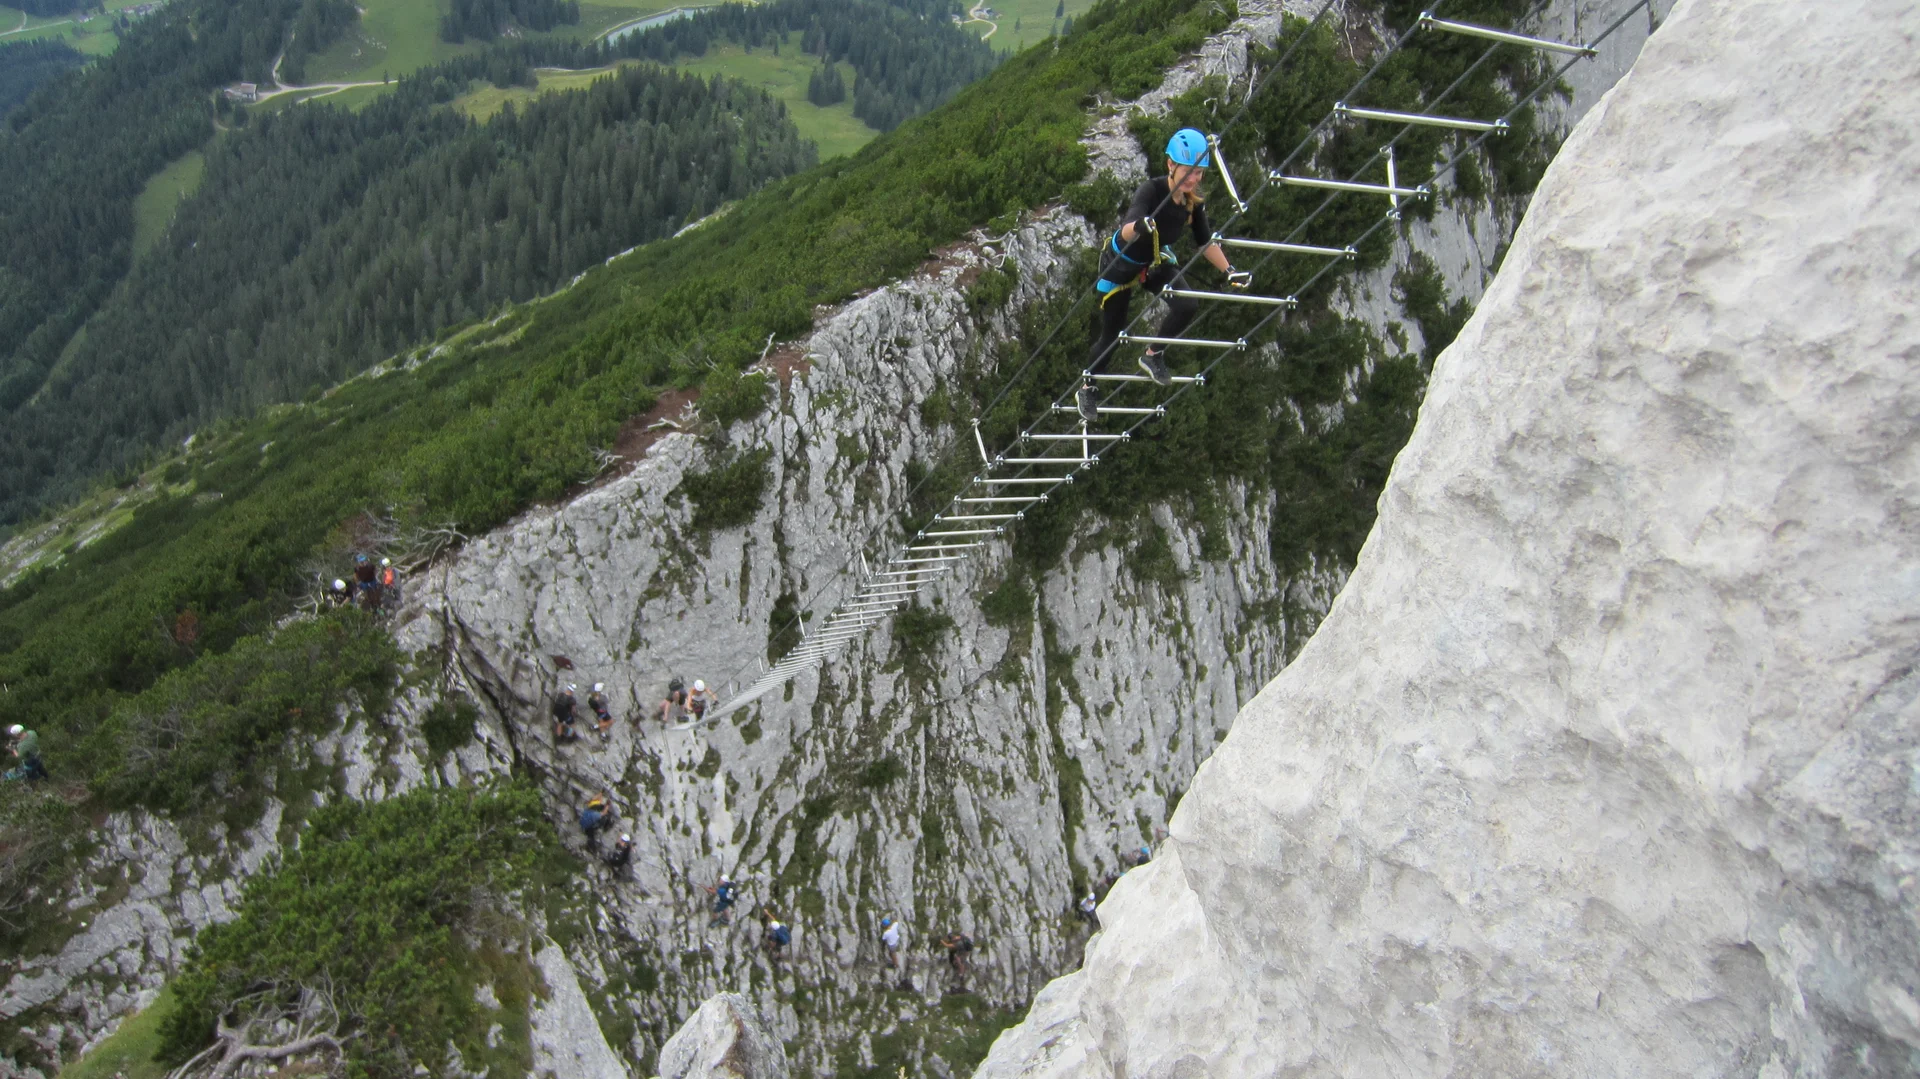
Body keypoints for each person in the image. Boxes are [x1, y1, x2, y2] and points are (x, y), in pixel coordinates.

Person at [1079, 128, 1252, 421]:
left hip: (1153, 263)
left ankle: (1153, 355)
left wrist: (1229, 271)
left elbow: (1204, 242)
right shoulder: (1152, 191)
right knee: (1112, 335)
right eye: (1188, 171)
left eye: (1199, 173)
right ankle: (1088, 386)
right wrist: (1140, 227)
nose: (1194, 179)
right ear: (1171, 165)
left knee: (1187, 304)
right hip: (1120, 266)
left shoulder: (1192, 203)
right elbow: (1127, 227)